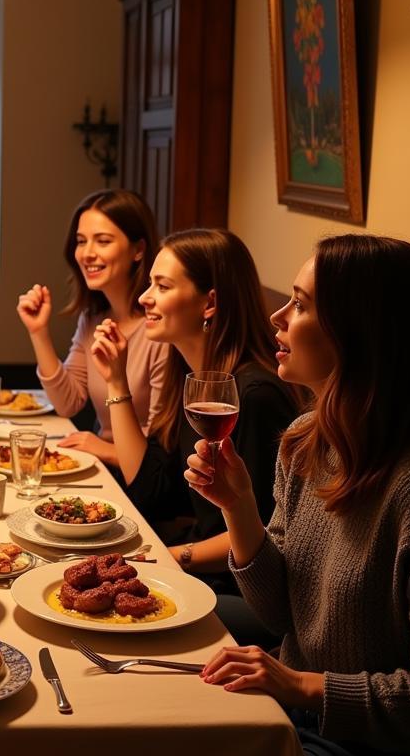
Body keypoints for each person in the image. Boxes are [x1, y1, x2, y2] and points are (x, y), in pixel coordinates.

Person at [187, 235, 410, 756]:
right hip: (298, 714)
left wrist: (300, 684)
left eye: (297, 304)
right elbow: (279, 615)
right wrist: (237, 507)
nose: (277, 318)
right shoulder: (304, 440)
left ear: (359, 332)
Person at [91, 229, 300, 642]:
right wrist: (116, 381)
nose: (144, 298)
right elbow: (151, 488)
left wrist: (174, 558)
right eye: (150, 283)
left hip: (243, 590)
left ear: (210, 302)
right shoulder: (191, 382)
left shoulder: (252, 397)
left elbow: (266, 533)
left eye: (162, 286)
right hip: (201, 569)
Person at [16, 189, 167, 466]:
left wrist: (105, 448)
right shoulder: (93, 318)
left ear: (138, 250)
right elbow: (68, 402)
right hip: (105, 466)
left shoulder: (159, 330)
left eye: (103, 241)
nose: (87, 253)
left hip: (140, 482)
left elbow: (161, 456)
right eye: (81, 241)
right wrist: (38, 332)